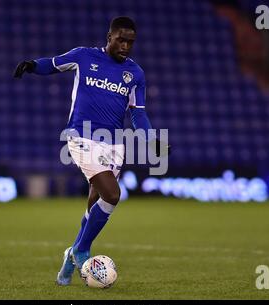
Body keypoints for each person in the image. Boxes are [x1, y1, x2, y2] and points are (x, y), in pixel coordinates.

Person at [14, 16, 169, 285]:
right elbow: (52, 64)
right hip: (82, 137)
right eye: (121, 39)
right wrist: (31, 65)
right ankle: (81, 250)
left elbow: (138, 115)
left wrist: (150, 138)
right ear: (109, 37)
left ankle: (70, 253)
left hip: (114, 145)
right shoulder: (84, 56)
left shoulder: (136, 74)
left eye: (130, 42)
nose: (125, 46)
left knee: (96, 200)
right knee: (112, 194)